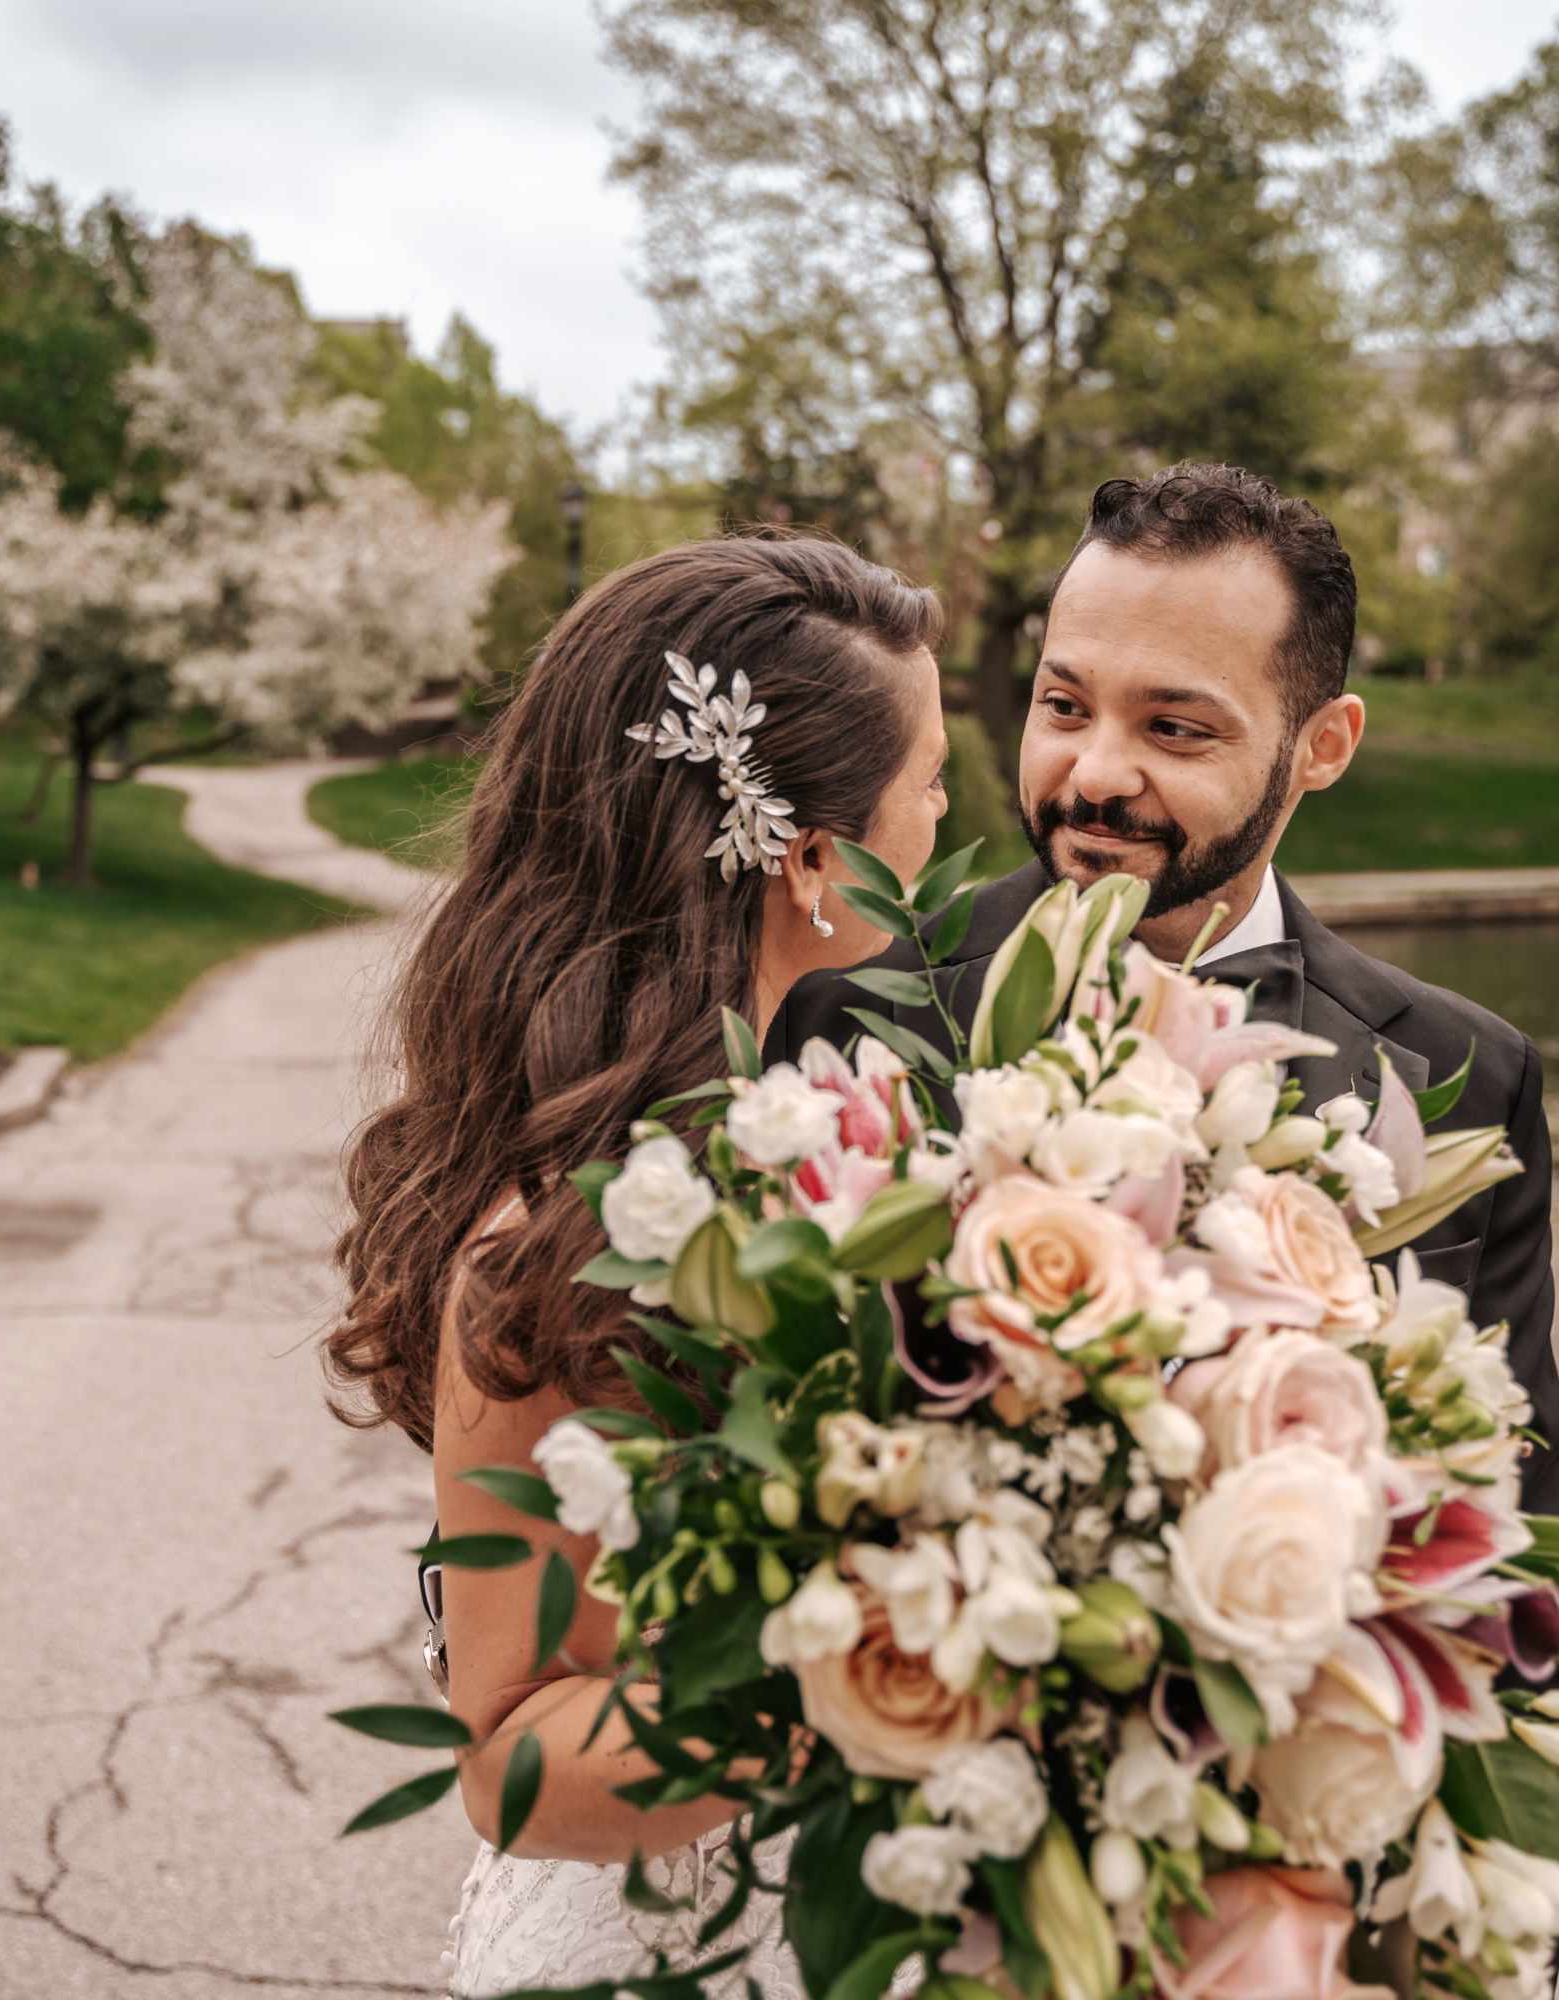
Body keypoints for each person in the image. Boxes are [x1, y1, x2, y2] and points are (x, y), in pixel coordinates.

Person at [771, 461, 1559, 1682]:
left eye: (1172, 728)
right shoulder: (858, 1016)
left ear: (1320, 746)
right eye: (1063, 705)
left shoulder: (1465, 1076)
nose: (1095, 772)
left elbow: (1510, 1570)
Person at [325, 534, 951, 1997]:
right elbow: (511, 1754)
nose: (946, 822)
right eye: (931, 786)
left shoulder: (851, 1135)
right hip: (678, 1944)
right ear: (817, 861)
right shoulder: (549, 1241)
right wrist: (891, 1663)